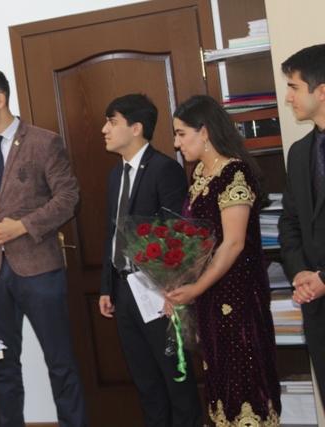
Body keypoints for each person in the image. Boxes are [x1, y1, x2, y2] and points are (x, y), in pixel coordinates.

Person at [0, 69, 87, 427]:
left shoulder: (44, 142)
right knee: (2, 366)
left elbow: (69, 197)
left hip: (40, 271)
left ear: (0, 99)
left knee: (60, 361)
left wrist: (23, 226)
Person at [166, 95, 281, 425]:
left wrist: (195, 288)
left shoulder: (234, 172)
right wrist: (177, 286)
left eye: (181, 134)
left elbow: (232, 244)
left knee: (245, 379)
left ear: (204, 132)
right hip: (209, 295)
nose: (176, 143)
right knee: (220, 379)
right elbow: (196, 242)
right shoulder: (200, 173)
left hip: (238, 294)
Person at [99, 94, 202, 427]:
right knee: (146, 382)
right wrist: (106, 286)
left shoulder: (164, 169)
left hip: (159, 292)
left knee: (175, 378)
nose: (104, 130)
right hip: (124, 291)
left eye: (112, 122)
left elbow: (178, 234)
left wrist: (173, 289)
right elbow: (112, 233)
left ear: (136, 128)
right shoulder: (115, 175)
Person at [278, 44, 325, 411]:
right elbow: (290, 223)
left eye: (294, 87)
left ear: (321, 90)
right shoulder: (298, 153)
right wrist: (300, 274)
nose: (288, 97)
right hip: (316, 307)